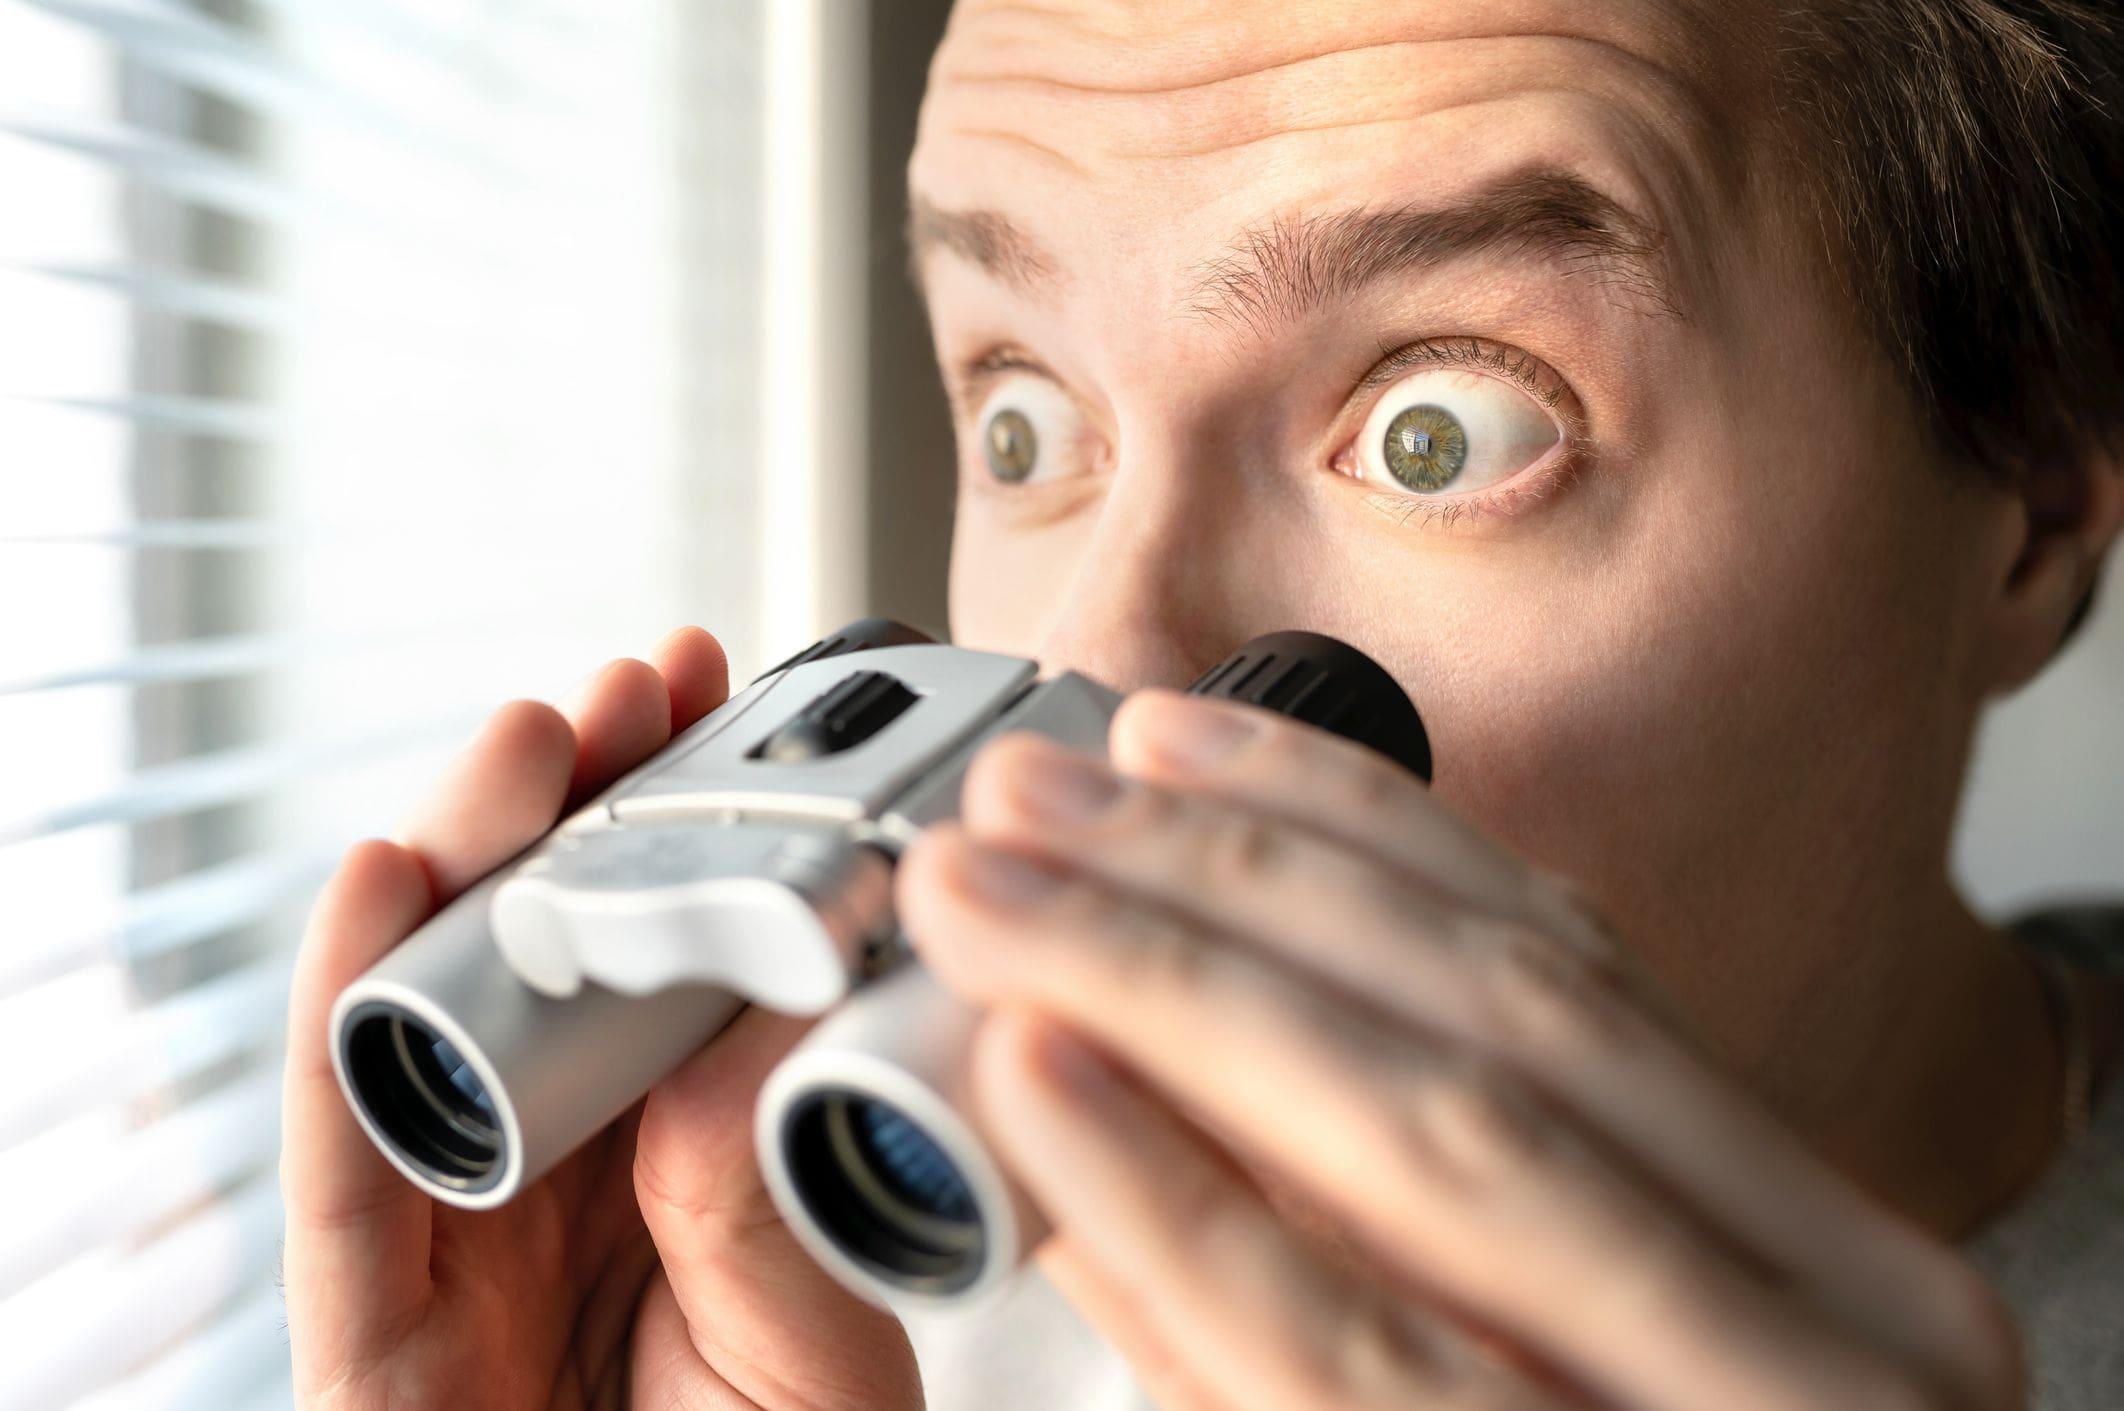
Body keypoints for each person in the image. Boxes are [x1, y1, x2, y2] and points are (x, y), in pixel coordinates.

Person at [279, 1, 2124, 1407]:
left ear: (2032, 506)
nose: (1097, 683)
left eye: (1439, 429)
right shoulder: (842, 1277)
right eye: (1026, 420)